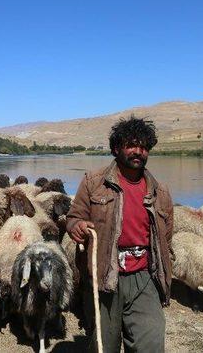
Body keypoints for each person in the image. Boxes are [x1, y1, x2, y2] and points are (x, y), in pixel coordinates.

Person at [66, 116, 173, 353]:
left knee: (151, 345)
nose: (138, 151)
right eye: (131, 145)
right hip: (104, 276)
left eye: (144, 147)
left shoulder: (160, 191)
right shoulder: (94, 182)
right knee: (104, 346)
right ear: (116, 148)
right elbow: (73, 218)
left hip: (144, 278)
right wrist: (77, 227)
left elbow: (166, 238)